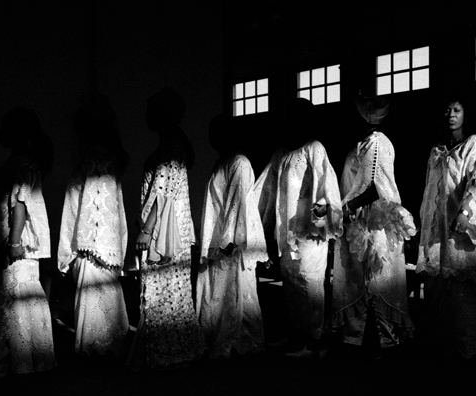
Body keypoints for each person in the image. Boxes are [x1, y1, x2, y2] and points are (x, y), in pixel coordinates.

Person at [255, 98, 343, 358]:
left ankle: (315, 340)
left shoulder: (314, 148)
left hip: (309, 232)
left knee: (309, 283)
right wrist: (262, 225)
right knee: (291, 283)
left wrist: (320, 218)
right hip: (287, 231)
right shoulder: (282, 152)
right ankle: (297, 334)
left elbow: (326, 187)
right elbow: (267, 190)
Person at [330, 94, 417, 356]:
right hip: (362, 220)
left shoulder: (375, 142)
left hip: (372, 223)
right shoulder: (365, 142)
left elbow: (374, 187)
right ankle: (361, 340)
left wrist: (345, 207)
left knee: (373, 280)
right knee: (362, 280)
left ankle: (381, 343)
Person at [127, 87, 205, 370]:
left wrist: (147, 230)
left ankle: (167, 352)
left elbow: (163, 193)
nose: (146, 117)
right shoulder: (172, 145)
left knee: (163, 290)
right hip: (170, 230)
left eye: (151, 112)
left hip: (163, 233)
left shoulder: (171, 147)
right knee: (170, 291)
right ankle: (172, 350)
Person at [417, 95, 476, 358]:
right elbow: (429, 190)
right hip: (438, 227)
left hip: (461, 226)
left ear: (465, 114)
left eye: (457, 110)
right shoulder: (436, 151)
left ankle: (467, 348)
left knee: (462, 286)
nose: (451, 115)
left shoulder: (473, 144)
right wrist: (426, 222)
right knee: (437, 283)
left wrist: (465, 212)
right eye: (447, 110)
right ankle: (442, 346)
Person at [58, 94, 130, 356]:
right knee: (102, 301)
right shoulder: (102, 156)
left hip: (93, 245)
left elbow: (97, 206)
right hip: (99, 243)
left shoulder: (97, 157)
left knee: (97, 300)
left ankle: (98, 353)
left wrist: (82, 247)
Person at [196, 114, 267, 358]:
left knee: (235, 291)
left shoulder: (240, 163)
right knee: (220, 292)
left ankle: (237, 342)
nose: (212, 139)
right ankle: (224, 339)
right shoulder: (222, 162)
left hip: (231, 241)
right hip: (217, 237)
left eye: (217, 133)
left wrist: (226, 242)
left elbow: (238, 205)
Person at [0, 106, 56, 376]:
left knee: (17, 296)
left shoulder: (21, 163)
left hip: (19, 242)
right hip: (22, 242)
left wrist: (14, 241)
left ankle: (22, 361)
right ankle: (33, 358)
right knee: (25, 296)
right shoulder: (27, 161)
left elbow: (20, 203)